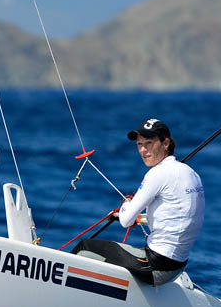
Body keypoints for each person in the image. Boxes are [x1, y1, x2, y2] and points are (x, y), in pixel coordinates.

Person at [72, 118, 204, 286]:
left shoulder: (157, 174)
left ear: (166, 143)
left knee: (85, 247)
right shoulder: (191, 174)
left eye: (149, 143)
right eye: (139, 144)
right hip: (177, 267)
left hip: (156, 266)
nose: (143, 150)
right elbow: (176, 218)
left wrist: (127, 202)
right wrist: (139, 218)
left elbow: (125, 221)